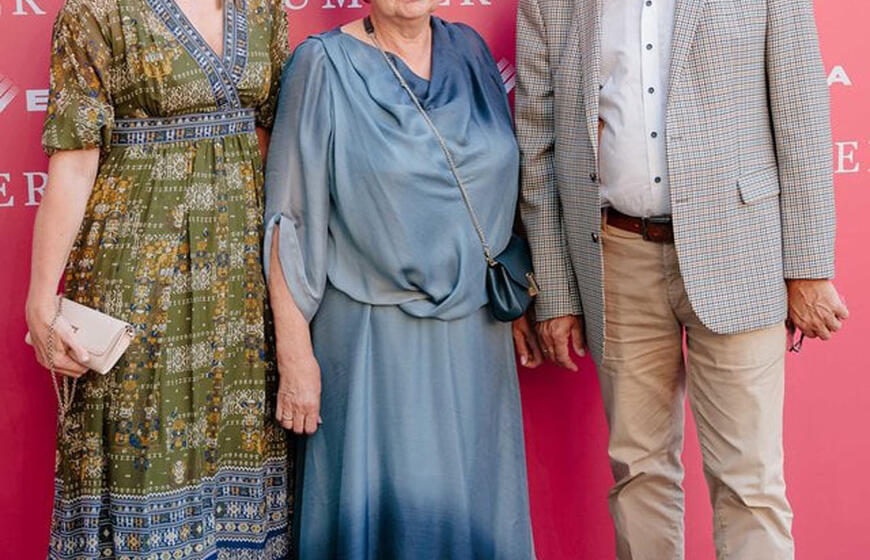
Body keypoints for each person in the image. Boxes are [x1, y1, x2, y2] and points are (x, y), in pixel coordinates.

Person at [515, 0, 848, 558]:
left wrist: (808, 268)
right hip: (616, 257)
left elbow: (802, 114)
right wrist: (555, 288)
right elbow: (538, 138)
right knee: (638, 474)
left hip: (740, 250)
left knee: (750, 483)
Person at [263, 1, 536, 557]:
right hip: (374, 343)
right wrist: (294, 355)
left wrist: (513, 297)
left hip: (476, 338)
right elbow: (289, 217)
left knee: (474, 514)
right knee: (393, 521)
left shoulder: (470, 52)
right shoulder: (322, 65)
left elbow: (499, 185)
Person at [25, 1, 293, 558]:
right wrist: (41, 301)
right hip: (136, 276)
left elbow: (274, 146)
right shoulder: (96, 11)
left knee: (239, 442)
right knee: (140, 452)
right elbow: (74, 162)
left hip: (242, 286)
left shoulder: (264, 7)